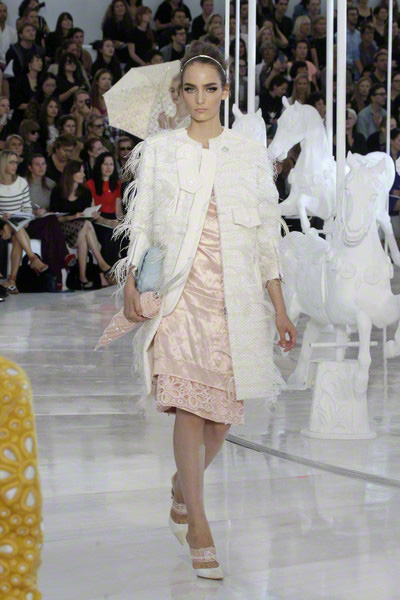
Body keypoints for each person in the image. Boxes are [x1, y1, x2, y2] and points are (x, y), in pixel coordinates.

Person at [117, 41, 296, 579]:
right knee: (189, 409)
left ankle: (181, 488)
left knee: (220, 421)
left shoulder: (247, 154)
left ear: (224, 92)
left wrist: (280, 309)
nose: (200, 98)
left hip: (233, 299)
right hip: (180, 295)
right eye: (190, 89)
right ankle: (198, 523)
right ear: (179, 93)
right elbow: (142, 222)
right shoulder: (161, 151)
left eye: (209, 88)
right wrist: (131, 282)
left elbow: (265, 237)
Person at [50, 160, 113, 289]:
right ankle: (101, 263)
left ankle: (83, 277)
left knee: (85, 230)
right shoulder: (58, 191)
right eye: (80, 172)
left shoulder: (85, 192)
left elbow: (87, 214)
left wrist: (93, 215)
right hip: (63, 227)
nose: (83, 175)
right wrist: (73, 217)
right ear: (71, 173)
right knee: (86, 226)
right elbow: (54, 217)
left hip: (81, 227)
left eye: (83, 172)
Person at [0, 150, 48, 294]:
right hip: (2, 222)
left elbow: (27, 207)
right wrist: (4, 219)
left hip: (18, 221)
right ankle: (31, 260)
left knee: (17, 231)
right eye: (11, 162)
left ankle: (12, 280)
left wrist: (24, 218)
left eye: (16, 162)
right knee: (18, 230)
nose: (15, 165)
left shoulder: (21, 182)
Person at [25, 154, 76, 288]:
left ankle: (56, 280)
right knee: (50, 225)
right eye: (37, 164)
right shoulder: (23, 183)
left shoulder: (50, 184)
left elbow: (55, 206)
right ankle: (64, 258)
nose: (41, 167)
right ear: (30, 168)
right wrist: (34, 212)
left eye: (43, 164)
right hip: (28, 223)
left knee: (49, 233)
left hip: (46, 224)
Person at [86, 151, 122, 266]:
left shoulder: (117, 184)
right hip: (98, 219)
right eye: (105, 164)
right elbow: (93, 213)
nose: (108, 167)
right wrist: (108, 222)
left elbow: (118, 211)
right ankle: (109, 269)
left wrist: (120, 223)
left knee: (125, 233)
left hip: (113, 218)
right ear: (99, 166)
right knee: (109, 234)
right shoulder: (90, 184)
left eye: (111, 164)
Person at [10, 52, 43, 130]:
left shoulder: (42, 80)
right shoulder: (21, 80)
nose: (40, 63)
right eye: (37, 60)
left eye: (41, 60)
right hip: (21, 118)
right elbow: (15, 103)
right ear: (29, 64)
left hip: (37, 119)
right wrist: (32, 107)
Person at [102, 0, 134, 64]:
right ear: (113, 10)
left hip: (127, 52)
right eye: (117, 6)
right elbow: (105, 39)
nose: (120, 8)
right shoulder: (108, 24)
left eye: (122, 6)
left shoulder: (131, 23)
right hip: (113, 52)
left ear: (125, 8)